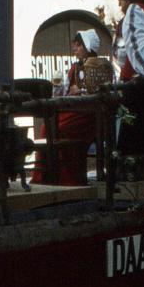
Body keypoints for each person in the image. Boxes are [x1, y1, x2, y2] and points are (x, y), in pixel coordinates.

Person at [32, 29, 111, 186]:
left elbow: (101, 90)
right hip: (73, 110)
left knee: (58, 130)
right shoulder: (75, 67)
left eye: (78, 45)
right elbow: (64, 93)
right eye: (74, 45)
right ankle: (48, 176)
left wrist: (81, 90)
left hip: (88, 114)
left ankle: (67, 178)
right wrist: (58, 87)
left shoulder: (101, 66)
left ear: (88, 47)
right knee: (47, 128)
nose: (75, 49)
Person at [112, 0, 138, 75]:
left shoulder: (126, 22)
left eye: (120, 0)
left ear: (128, 0)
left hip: (130, 75)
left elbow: (120, 54)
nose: (119, 4)